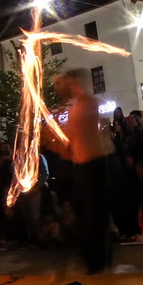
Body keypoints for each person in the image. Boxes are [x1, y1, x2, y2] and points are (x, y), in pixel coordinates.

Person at [47, 67, 114, 272]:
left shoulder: (90, 104)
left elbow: (85, 127)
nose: (72, 86)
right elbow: (71, 145)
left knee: (94, 213)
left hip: (96, 165)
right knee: (79, 210)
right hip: (82, 167)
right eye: (71, 83)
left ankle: (98, 259)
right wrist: (54, 143)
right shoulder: (75, 109)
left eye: (74, 82)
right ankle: (93, 256)